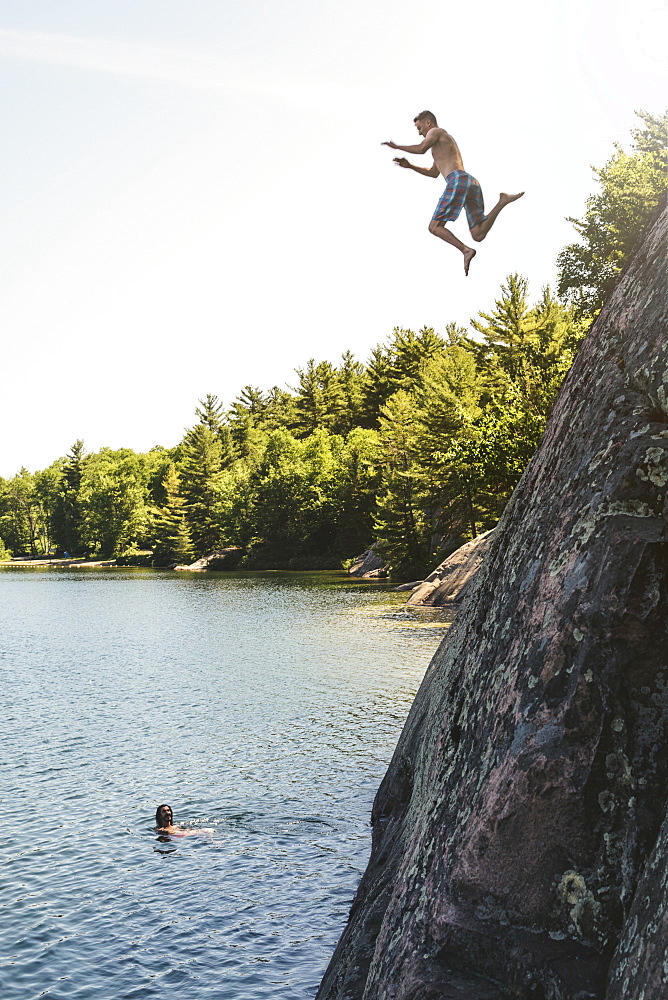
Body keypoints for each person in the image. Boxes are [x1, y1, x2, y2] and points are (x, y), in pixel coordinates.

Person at [382, 111, 524, 275]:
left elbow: (421, 149)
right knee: (478, 234)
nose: (419, 132)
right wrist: (410, 166)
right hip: (470, 182)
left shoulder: (436, 131)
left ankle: (465, 250)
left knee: (434, 227)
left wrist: (397, 146)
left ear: (428, 123)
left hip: (456, 180)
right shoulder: (440, 144)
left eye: (419, 128)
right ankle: (502, 201)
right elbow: (434, 173)